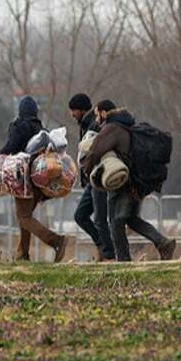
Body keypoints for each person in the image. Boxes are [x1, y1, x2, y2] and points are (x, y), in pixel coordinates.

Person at [80, 100, 176, 262]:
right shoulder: (128, 125)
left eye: (97, 115)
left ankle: (123, 260)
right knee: (131, 219)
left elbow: (94, 151)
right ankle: (163, 243)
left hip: (124, 184)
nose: (95, 119)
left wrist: (86, 172)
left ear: (104, 114)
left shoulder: (111, 129)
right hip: (138, 183)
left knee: (116, 222)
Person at [0, 95, 67, 262]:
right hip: (38, 182)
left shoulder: (18, 126)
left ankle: (56, 240)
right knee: (24, 216)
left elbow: (11, 145)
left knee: (24, 218)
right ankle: (22, 254)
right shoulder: (40, 129)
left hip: (22, 180)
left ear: (21, 112)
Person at [68, 93, 115, 261]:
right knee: (80, 215)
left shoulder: (92, 125)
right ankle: (102, 246)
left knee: (100, 219)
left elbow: (91, 152)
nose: (71, 114)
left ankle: (109, 255)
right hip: (90, 181)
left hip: (97, 178)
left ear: (82, 109)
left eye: (73, 110)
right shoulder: (84, 124)